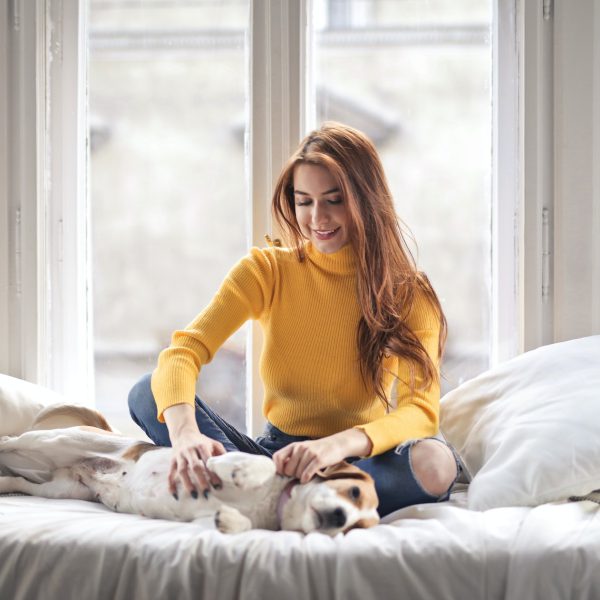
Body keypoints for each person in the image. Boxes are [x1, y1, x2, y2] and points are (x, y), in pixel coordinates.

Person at [128, 122, 460, 517]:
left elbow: (420, 412)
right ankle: (286, 499)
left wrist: (334, 447)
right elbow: (183, 352)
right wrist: (185, 436)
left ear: (366, 200)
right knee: (148, 392)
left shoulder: (409, 292)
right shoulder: (266, 271)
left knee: (436, 463)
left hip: (353, 463)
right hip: (271, 459)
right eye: (304, 201)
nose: (317, 217)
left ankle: (266, 501)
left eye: (333, 200)